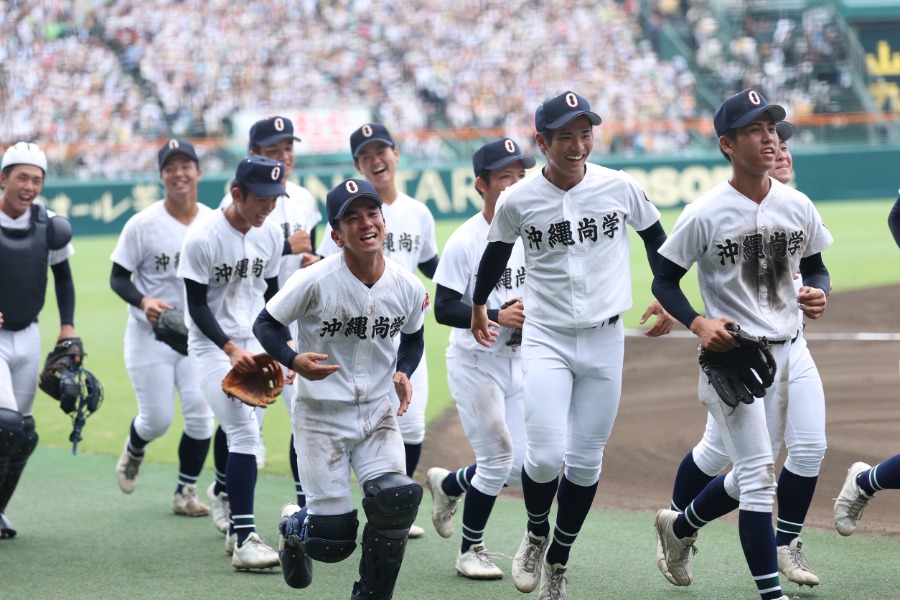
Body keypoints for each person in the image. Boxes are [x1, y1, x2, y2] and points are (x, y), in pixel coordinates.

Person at [470, 91, 674, 598]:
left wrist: (667, 294)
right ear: (542, 141)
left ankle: (558, 560)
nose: (578, 144)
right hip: (546, 338)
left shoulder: (618, 187)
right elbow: (495, 254)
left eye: (585, 134)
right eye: (565, 136)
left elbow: (656, 238)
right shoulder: (519, 200)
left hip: (606, 339)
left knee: (586, 461)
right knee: (542, 458)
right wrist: (479, 306)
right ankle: (536, 531)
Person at [651, 90, 833, 600]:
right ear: (729, 144)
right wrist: (696, 322)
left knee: (805, 449)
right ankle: (771, 594)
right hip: (736, 358)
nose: (770, 136)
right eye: (755, 129)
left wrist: (819, 291)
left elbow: (816, 263)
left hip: (792, 349)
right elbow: (664, 280)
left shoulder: (796, 204)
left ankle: (681, 526)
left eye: (772, 127)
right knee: (756, 478)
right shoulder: (705, 212)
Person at [253, 177, 428, 599]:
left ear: (383, 221)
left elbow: (414, 336)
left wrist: (403, 370)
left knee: (397, 502)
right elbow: (266, 323)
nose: (366, 223)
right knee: (331, 542)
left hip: (376, 413)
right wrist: (293, 359)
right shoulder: (314, 279)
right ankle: (295, 526)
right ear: (335, 234)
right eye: (352, 217)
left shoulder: (407, 285)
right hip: (320, 417)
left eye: (372, 213)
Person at [317, 122, 439, 538]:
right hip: (353, 339)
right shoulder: (341, 220)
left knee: (413, 425)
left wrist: (470, 286)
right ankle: (335, 504)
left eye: (381, 150)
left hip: (402, 332)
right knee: (342, 424)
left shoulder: (417, 212)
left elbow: (430, 265)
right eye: (366, 155)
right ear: (357, 164)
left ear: (396, 153)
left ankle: (391, 504)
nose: (376, 159)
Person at [425, 138, 534, 579]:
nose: (515, 185)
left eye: (520, 177)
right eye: (505, 177)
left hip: (519, 362)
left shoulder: (531, 232)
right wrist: (494, 313)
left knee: (523, 467)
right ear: (482, 185)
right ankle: (471, 549)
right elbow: (444, 307)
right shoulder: (466, 241)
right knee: (496, 458)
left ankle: (448, 484)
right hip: (476, 364)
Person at [177, 155, 286, 570]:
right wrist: (228, 348)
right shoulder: (203, 237)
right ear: (237, 193)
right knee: (244, 434)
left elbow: (274, 297)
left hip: (256, 343)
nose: (269, 206)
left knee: (246, 426)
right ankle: (244, 538)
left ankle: (224, 496)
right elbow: (196, 305)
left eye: (276, 198)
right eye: (262, 198)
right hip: (210, 346)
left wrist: (284, 351)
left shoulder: (270, 233)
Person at [215, 115, 322, 520]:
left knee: (304, 414)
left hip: (299, 320)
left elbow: (306, 256)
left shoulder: (304, 199)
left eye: (288, 148)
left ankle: (308, 505)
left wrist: (309, 258)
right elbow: (236, 263)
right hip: (254, 321)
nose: (284, 156)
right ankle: (225, 495)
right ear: (253, 154)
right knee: (245, 416)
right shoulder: (234, 204)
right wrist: (285, 245)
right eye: (273, 150)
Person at [109, 139, 214, 517]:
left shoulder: (212, 222)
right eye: (170, 167)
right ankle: (135, 448)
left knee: (202, 418)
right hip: (149, 334)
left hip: (196, 335)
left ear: (198, 171)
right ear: (161, 176)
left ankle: (185, 491)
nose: (179, 173)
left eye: (186, 165)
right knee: (157, 419)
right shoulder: (142, 224)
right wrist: (143, 301)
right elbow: (118, 278)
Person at [0, 142, 76, 539]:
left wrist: (68, 326)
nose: (29, 186)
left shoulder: (51, 225)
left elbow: (63, 277)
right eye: (21, 177)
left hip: (29, 334)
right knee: (5, 425)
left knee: (23, 434)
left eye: (37, 179)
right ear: (3, 179)